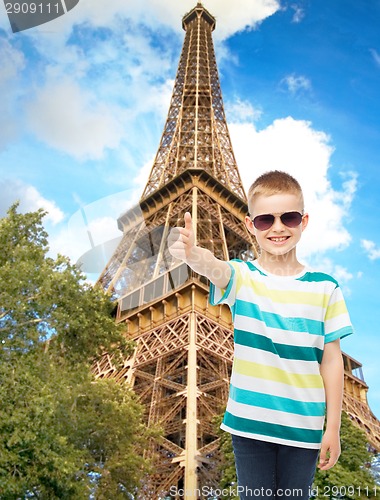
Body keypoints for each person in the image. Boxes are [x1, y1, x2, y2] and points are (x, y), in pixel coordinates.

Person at [167, 170, 353, 499]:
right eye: (266, 220)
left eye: (289, 218)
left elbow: (332, 359)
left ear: (304, 221)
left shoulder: (326, 287)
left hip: (304, 425)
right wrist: (195, 255)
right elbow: (217, 268)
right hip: (250, 423)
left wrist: (333, 427)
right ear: (251, 225)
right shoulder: (244, 276)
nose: (278, 227)